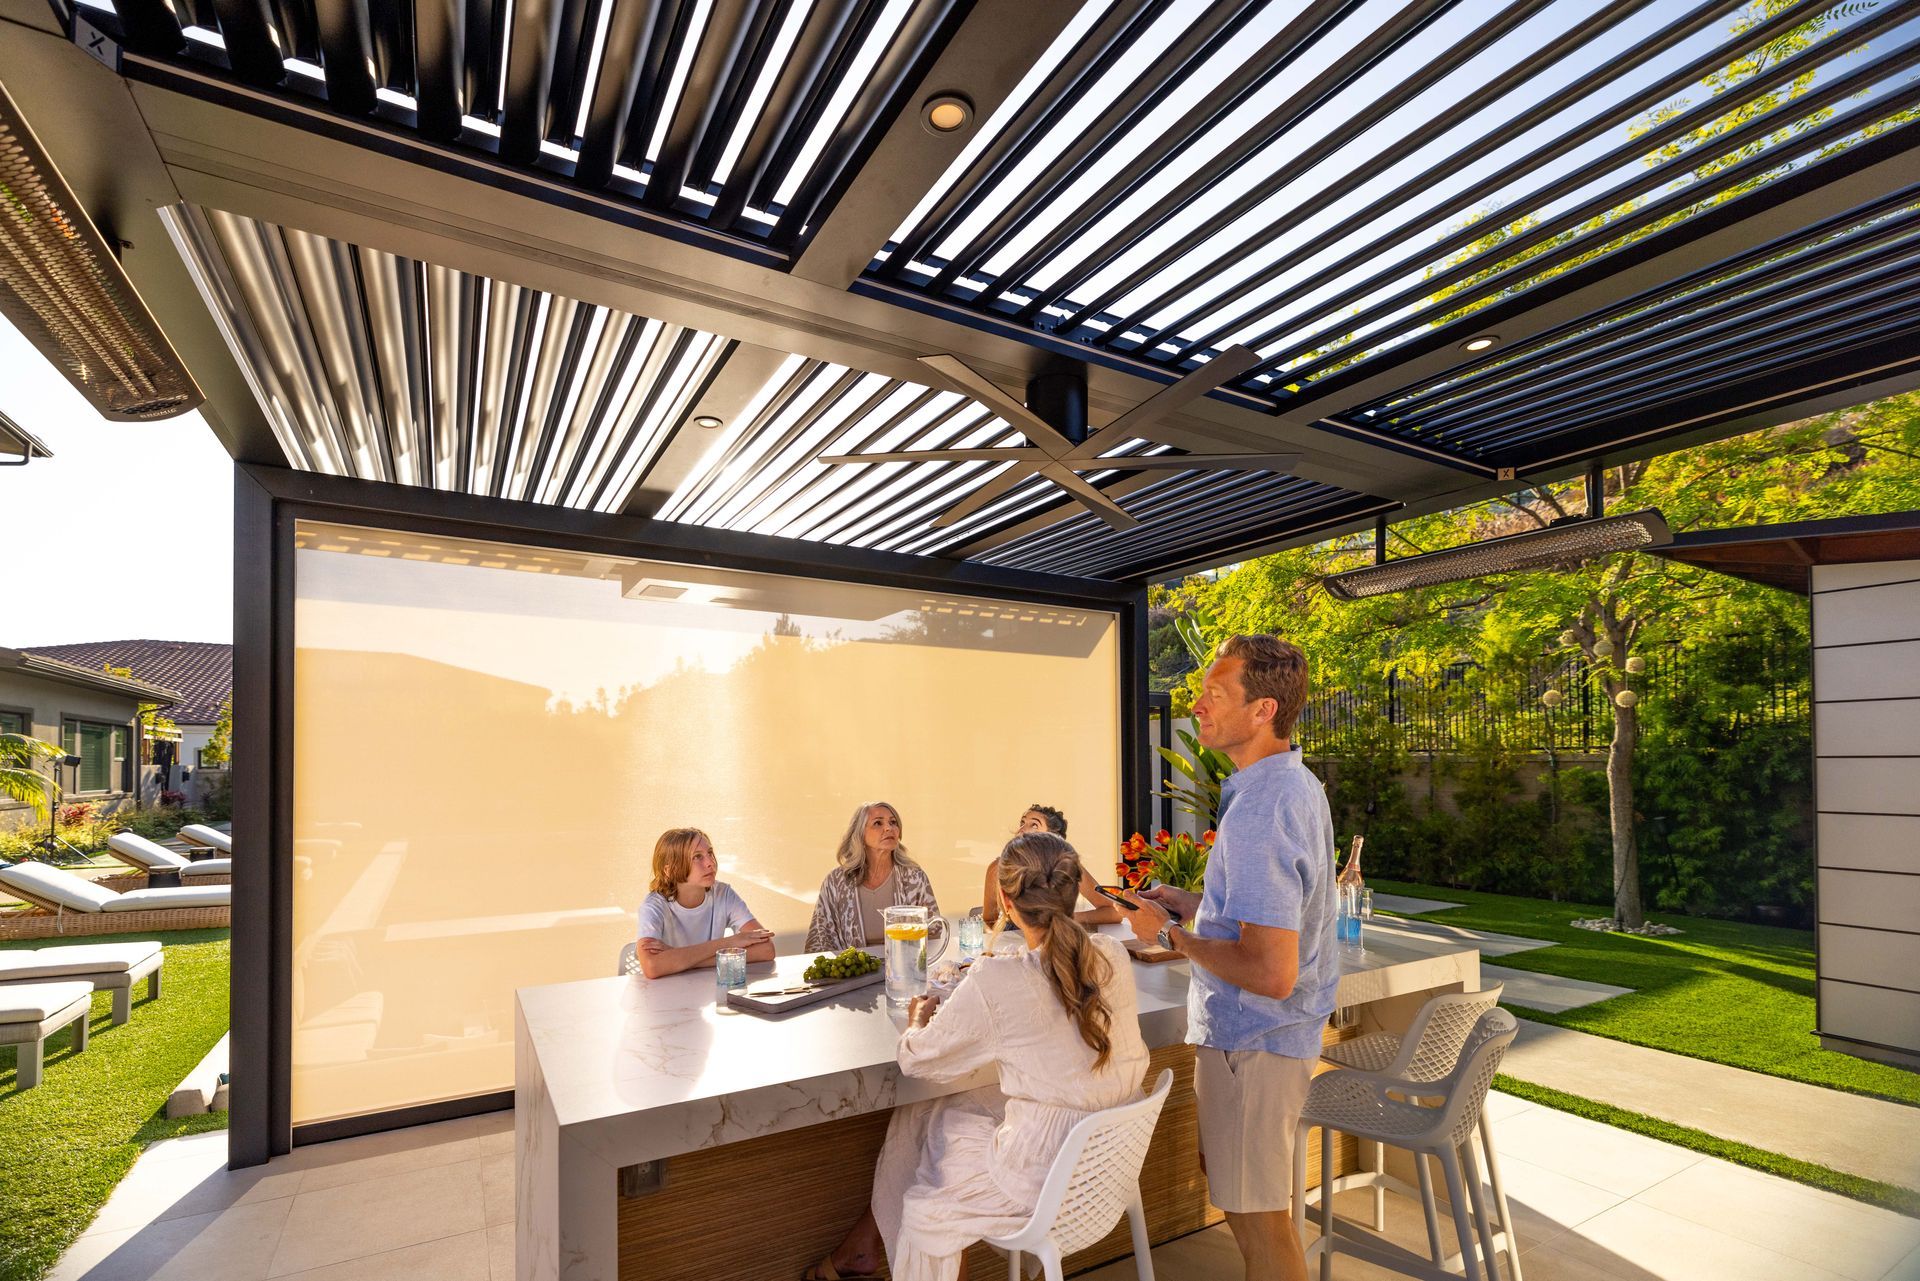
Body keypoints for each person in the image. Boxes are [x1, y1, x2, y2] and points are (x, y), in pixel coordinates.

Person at [806, 832, 1149, 1281]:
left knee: (925, 1204)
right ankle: (865, 1246)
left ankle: (871, 1245)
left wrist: (917, 1018)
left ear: (1006, 900)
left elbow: (918, 1061)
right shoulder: (1111, 957)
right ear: (1071, 891)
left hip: (1039, 1182)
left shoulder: (999, 979)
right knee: (931, 1112)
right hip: (1102, 1173)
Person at [1112, 634, 1336, 1281]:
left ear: (1263, 709)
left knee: (1260, 1225)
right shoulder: (1286, 784)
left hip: (1254, 1043)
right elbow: (1266, 913)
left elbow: (1271, 971)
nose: (1198, 702)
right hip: (1263, 1043)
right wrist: (1191, 901)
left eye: (1215, 692)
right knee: (1253, 1211)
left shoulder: (1264, 805)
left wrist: (1166, 934)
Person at [634, 827, 775, 979]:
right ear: (670, 870)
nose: (710, 863)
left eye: (710, 853)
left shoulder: (723, 893)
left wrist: (679, 959)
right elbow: (652, 966)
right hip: (666, 995)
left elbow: (766, 949)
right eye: (697, 857)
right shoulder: (653, 907)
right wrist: (730, 943)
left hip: (710, 990)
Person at [806, 801, 939, 952]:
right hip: (852, 973)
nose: (889, 828)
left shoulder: (915, 877)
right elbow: (819, 939)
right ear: (860, 835)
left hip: (905, 969)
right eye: (878, 823)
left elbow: (934, 933)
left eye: (893, 822)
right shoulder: (835, 882)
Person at [979, 805, 1119, 928]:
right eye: (1022, 822)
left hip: (1057, 938)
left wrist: (1067, 919)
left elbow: (1113, 913)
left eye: (1034, 825)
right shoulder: (997, 868)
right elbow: (989, 920)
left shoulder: (1067, 866)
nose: (1021, 829)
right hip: (1013, 942)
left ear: (1050, 838)